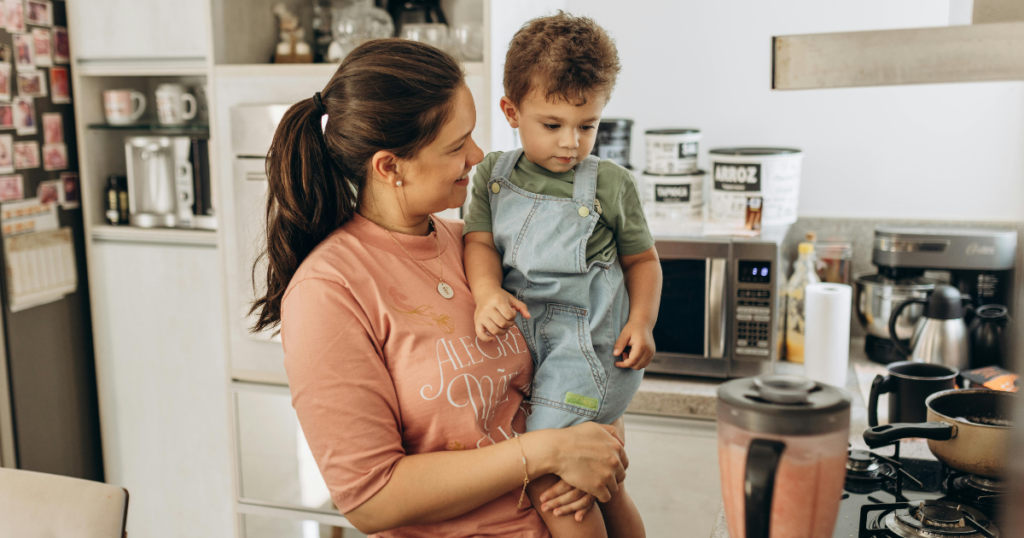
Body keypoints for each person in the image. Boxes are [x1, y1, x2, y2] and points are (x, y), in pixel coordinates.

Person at [250, 39, 631, 538]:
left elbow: (567, 352)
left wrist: (598, 433)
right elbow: (372, 498)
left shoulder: (478, 248)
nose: (477, 155)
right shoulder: (329, 290)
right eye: (457, 145)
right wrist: (548, 452)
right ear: (390, 167)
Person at [463, 13, 663, 538]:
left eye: (588, 125)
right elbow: (479, 242)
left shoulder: (611, 184)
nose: (571, 142)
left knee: (552, 486)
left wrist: (641, 323)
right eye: (552, 125)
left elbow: (644, 262)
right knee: (602, 483)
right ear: (511, 111)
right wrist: (486, 293)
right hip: (529, 342)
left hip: (589, 351)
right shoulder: (491, 175)